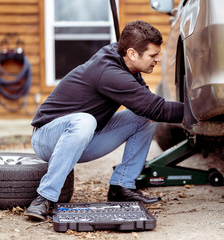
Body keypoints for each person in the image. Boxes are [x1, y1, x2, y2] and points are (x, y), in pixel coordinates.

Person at [24, 20, 184, 221]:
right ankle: (44, 197)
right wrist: (199, 110)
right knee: (85, 121)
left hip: (87, 136)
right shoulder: (109, 72)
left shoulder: (125, 63)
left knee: (144, 116)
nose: (158, 59)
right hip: (47, 137)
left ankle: (122, 186)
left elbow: (148, 106)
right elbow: (157, 107)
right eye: (153, 55)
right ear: (133, 54)